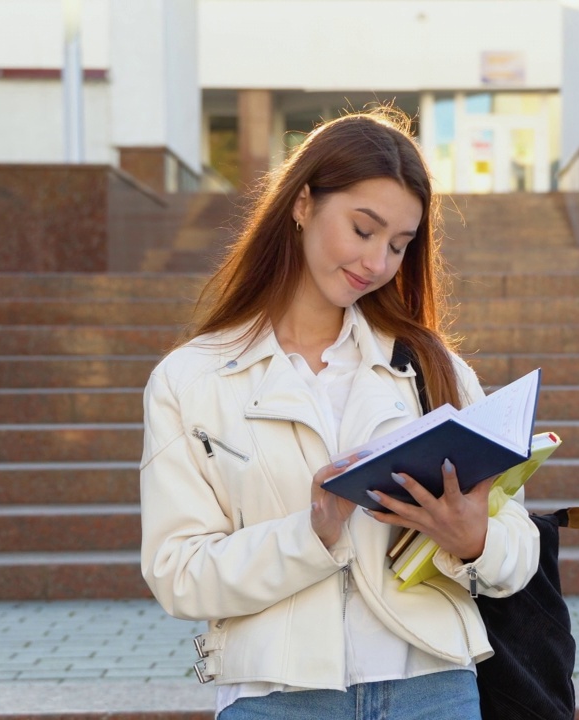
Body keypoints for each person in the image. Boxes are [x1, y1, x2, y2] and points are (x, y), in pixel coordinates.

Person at [138, 107, 540, 720]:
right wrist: (313, 533)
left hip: (430, 688)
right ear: (302, 204)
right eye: (362, 229)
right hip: (275, 699)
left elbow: (519, 542)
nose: (377, 262)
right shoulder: (193, 379)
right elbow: (179, 574)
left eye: (399, 245)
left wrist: (476, 539)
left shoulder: (434, 369)